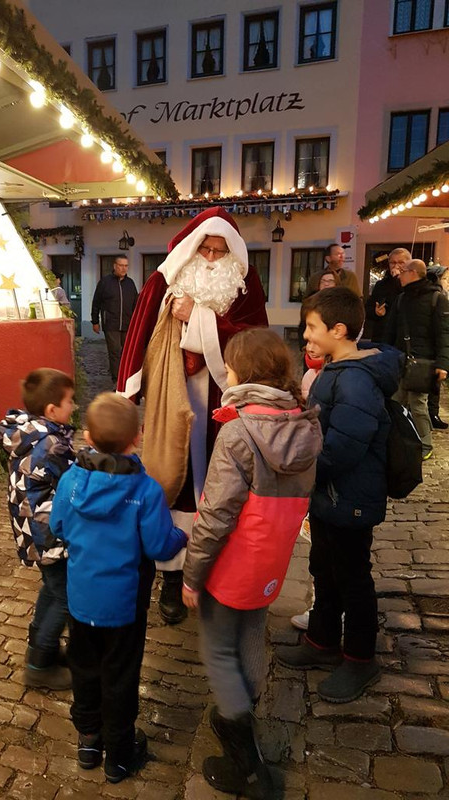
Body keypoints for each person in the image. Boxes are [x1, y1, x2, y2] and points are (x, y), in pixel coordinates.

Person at [182, 329, 321, 797]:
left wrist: (193, 574)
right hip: (271, 561)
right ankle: (248, 706)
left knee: (219, 651)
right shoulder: (305, 422)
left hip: (231, 563)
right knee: (251, 632)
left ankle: (247, 764)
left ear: (242, 373)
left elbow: (216, 515)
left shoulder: (239, 430)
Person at [118, 207, 268, 624]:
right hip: (173, 395)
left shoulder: (245, 283)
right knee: (173, 480)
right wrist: (125, 400)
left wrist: (198, 318)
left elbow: (254, 339)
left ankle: (210, 571)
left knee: (222, 486)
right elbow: (137, 336)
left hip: (225, 396)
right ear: (192, 245)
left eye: (221, 251)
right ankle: (170, 574)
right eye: (206, 247)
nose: (212, 258)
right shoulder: (163, 279)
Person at [49, 393, 187, 784]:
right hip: (125, 608)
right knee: (121, 677)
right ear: (137, 438)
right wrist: (180, 536)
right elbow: (160, 546)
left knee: (84, 670)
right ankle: (120, 755)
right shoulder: (145, 491)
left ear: (87, 436)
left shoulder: (71, 480)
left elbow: (57, 527)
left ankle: (89, 741)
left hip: (80, 603)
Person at [276, 287, 403, 703]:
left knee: (352, 578)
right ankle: (322, 641)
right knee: (323, 568)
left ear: (339, 329)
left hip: (349, 496)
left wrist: (303, 466)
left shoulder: (356, 380)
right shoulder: (338, 369)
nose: (306, 335)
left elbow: (345, 446)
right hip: (331, 496)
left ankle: (361, 658)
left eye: (312, 328)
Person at [0, 368, 76, 691]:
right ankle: (40, 665)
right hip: (48, 533)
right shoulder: (52, 444)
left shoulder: (28, 435)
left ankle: (39, 647)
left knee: (52, 588)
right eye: (70, 401)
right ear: (51, 411)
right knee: (66, 598)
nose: (74, 405)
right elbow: (74, 481)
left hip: (30, 529)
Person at [383, 259, 449, 460]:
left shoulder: (437, 299)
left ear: (412, 273)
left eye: (403, 272)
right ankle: (396, 441)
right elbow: (391, 331)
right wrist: (386, 356)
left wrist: (443, 363)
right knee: (395, 402)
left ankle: (425, 445)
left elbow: (444, 334)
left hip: (423, 363)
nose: (399, 275)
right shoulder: (402, 299)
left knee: (418, 404)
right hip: (400, 361)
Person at [91, 256, 138, 382]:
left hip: (128, 323)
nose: (124, 268)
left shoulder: (130, 283)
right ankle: (117, 379)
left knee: (126, 352)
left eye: (126, 266)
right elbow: (96, 303)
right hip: (111, 323)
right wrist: (95, 321)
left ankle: (125, 376)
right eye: (121, 265)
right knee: (115, 351)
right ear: (115, 266)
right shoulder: (105, 282)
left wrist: (136, 321)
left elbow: (135, 303)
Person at [364, 248, 405, 341]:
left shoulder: (412, 284)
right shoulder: (381, 285)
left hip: (402, 336)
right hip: (382, 335)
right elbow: (368, 309)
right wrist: (376, 312)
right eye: (393, 263)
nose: (396, 266)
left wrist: (398, 279)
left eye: (401, 262)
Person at [426, 264, 449, 429]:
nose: (448, 282)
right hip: (433, 346)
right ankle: (431, 413)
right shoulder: (436, 297)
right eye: (446, 279)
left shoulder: (443, 296)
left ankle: (432, 413)